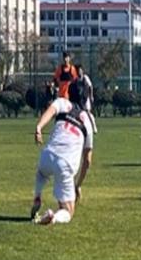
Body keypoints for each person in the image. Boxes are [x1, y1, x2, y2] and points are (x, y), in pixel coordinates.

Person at [31, 80, 94, 225]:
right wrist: (77, 185)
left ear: (69, 93)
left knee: (41, 173)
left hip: (48, 154)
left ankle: (37, 196)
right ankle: (53, 217)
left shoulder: (62, 103)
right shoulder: (87, 121)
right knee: (68, 211)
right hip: (65, 164)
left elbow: (49, 112)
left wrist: (39, 127)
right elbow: (87, 160)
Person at [75, 64, 98, 134]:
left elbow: (90, 87)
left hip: (86, 98)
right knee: (80, 113)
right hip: (80, 99)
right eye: (78, 71)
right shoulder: (76, 80)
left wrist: (91, 96)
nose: (79, 72)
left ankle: (94, 126)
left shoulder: (85, 78)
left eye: (80, 70)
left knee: (88, 112)